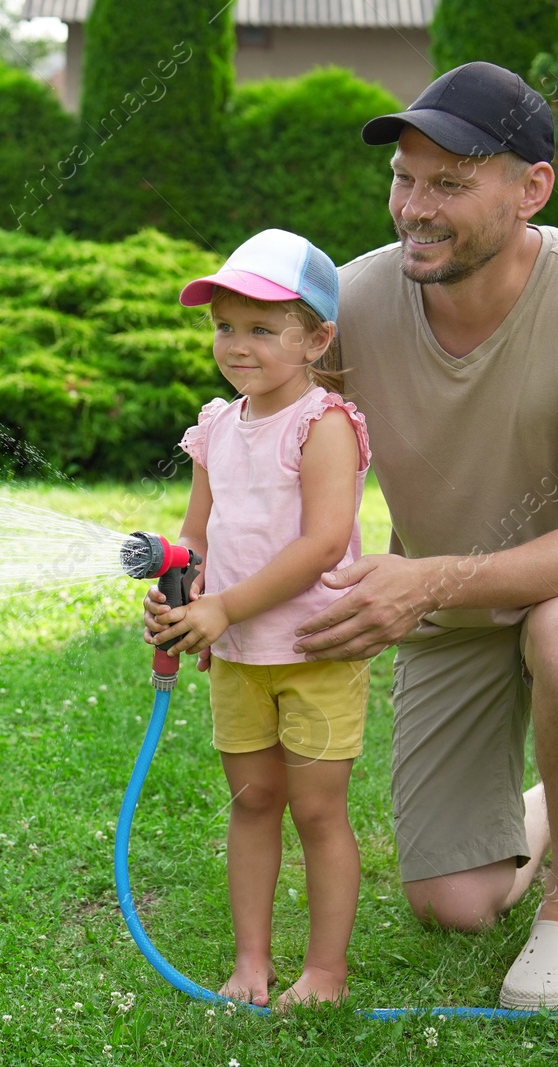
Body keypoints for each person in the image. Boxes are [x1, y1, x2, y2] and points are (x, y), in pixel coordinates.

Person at [291, 61, 558, 1009]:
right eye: (403, 176)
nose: (413, 208)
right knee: (455, 904)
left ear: (532, 189)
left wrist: (426, 579)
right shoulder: (353, 305)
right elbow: (285, 456)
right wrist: (216, 568)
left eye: (449, 182)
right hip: (450, 605)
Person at [145, 228, 373, 1009]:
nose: (236, 345)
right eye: (224, 327)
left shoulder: (324, 424)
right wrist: (180, 586)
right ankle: (251, 961)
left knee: (315, 808)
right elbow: (198, 534)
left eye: (261, 329)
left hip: (314, 651)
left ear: (316, 338)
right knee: (251, 803)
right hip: (238, 654)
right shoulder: (216, 426)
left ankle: (326, 972)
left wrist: (223, 605)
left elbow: (320, 545)